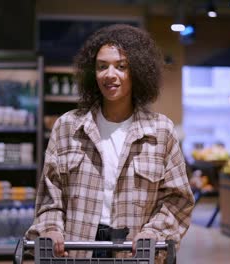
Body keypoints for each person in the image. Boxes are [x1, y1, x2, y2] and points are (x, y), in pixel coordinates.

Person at [26, 24, 194, 260]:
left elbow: (178, 200)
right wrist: (51, 229)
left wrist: (154, 232)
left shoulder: (160, 131)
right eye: (102, 66)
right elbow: (49, 197)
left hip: (135, 255)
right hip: (77, 250)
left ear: (138, 71)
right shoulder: (68, 127)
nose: (110, 74)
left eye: (121, 66)